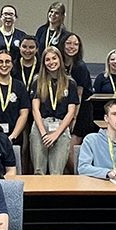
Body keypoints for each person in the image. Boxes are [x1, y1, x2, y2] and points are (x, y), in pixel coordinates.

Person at [29, 47, 79, 175]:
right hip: (41, 127)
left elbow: (71, 112)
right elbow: (35, 110)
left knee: (56, 172)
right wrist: (44, 134)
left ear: (60, 59)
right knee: (38, 171)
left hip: (61, 128)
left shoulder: (70, 83)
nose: (51, 62)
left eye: (54, 58)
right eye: (47, 60)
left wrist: (55, 134)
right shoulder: (38, 82)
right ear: (43, 63)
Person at [62, 33, 94, 138]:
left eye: (75, 44)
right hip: (64, 107)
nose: (72, 47)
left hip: (80, 109)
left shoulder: (80, 66)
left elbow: (79, 95)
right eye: (68, 43)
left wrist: (73, 118)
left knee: (72, 147)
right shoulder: (58, 64)